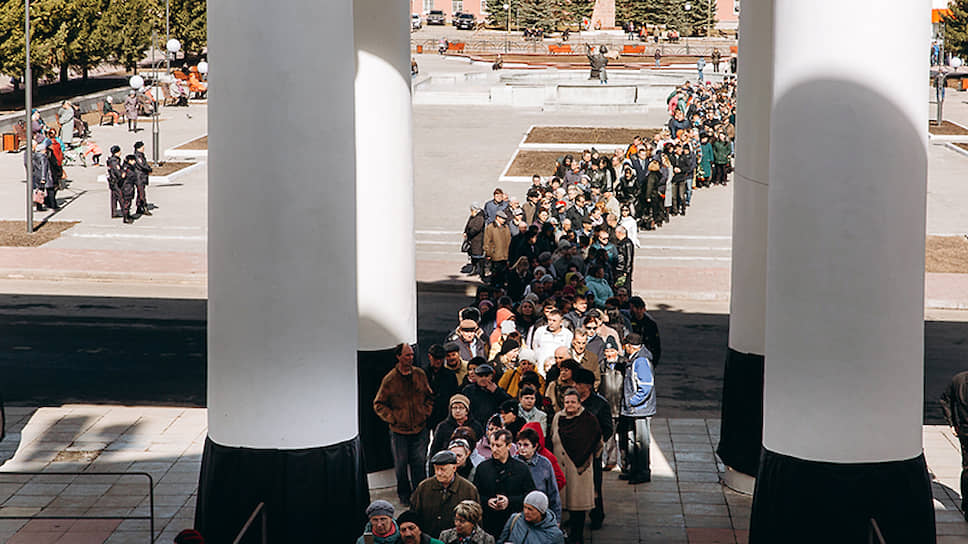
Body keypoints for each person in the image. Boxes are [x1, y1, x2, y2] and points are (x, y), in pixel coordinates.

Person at [373, 343, 435, 506]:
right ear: (398, 357)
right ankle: (404, 496)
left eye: (412, 355)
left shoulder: (420, 375)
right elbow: (379, 404)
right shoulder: (390, 379)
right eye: (407, 355)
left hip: (420, 429)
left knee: (419, 464)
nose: (411, 358)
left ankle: (420, 494)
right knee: (401, 466)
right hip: (399, 431)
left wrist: (425, 412)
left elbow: (430, 396)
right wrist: (393, 418)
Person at [549, 388, 602, 543]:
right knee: (565, 506)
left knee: (578, 507)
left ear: (579, 403)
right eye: (567, 402)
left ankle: (577, 537)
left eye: (573, 402)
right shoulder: (558, 417)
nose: (570, 405)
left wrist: (588, 459)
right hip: (562, 470)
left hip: (580, 471)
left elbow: (598, 443)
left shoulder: (588, 419)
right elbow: (552, 437)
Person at [473, 429, 536, 537]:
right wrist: (487, 501)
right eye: (492, 445)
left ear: (508, 446)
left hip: (514, 524)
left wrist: (509, 501)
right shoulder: (482, 468)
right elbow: (474, 494)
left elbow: (530, 496)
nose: (494, 449)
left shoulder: (521, 469)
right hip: (488, 523)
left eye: (498, 445)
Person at [573, 368, 613, 530]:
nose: (575, 386)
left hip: (592, 452)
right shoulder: (572, 400)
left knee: (594, 485)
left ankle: (597, 515)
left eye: (579, 383)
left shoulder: (600, 404)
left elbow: (608, 428)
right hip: (574, 451)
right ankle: (576, 515)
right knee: (575, 485)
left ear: (588, 386)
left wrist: (597, 443)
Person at [411, 450, 481, 538]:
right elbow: (414, 515)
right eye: (436, 469)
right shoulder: (424, 487)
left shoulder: (469, 490)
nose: (439, 473)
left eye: (442, 469)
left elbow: (476, 521)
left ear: (454, 468)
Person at [619, 333, 655, 485]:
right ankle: (634, 470)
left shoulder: (640, 361)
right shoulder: (635, 359)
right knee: (633, 440)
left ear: (629, 346)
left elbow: (646, 386)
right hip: (634, 409)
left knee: (641, 441)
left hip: (640, 409)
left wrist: (632, 402)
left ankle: (643, 472)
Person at [513, 429, 562, 523]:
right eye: (519, 444)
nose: (522, 448)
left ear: (535, 446)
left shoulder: (544, 464)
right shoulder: (514, 462)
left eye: (526, 445)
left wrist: (557, 519)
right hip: (519, 512)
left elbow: (553, 493)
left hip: (540, 513)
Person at [429, 394, 485, 471]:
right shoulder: (443, 426)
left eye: (461, 408)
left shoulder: (476, 426)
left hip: (470, 466)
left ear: (467, 411)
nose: (457, 411)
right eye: (454, 407)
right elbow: (435, 449)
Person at [940, 370, 968, 519]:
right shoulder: (959, 380)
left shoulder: (958, 379)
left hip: (964, 430)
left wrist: (952, 423)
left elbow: (945, 399)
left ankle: (966, 504)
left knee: (967, 468)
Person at [597, 337, 626, 471]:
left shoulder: (623, 364)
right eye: (607, 351)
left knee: (625, 437)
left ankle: (626, 462)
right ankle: (611, 460)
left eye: (612, 351)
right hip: (608, 407)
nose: (609, 354)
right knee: (609, 437)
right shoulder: (602, 365)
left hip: (622, 406)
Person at [498, 491, 564, 544]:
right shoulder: (515, 519)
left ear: (541, 511)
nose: (526, 512)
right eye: (524, 507)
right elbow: (501, 541)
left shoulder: (554, 534)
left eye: (530, 509)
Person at [426, 344, 460, 431]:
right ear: (429, 357)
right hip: (426, 417)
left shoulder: (450, 375)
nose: (438, 361)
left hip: (444, 415)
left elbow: (454, 395)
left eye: (441, 358)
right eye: (436, 358)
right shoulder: (423, 374)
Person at [625, 297, 661, 366]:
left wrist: (654, 360)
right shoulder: (628, 320)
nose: (638, 311)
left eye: (640, 309)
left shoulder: (650, 323)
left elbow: (656, 343)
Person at [484, 211, 512, 287]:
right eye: (502, 218)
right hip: (495, 256)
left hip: (505, 256)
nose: (504, 220)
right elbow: (487, 242)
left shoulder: (506, 227)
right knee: (495, 276)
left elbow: (509, 240)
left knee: (503, 277)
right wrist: (489, 253)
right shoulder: (490, 227)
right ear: (497, 217)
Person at [464, 203, 486, 278]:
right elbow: (468, 224)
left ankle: (481, 272)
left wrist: (469, 234)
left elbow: (476, 228)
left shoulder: (480, 217)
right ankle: (474, 269)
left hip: (478, 240)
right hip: (472, 240)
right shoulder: (473, 216)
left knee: (479, 257)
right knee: (473, 256)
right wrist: (465, 232)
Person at [132, 141, 153, 216]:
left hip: (141, 177)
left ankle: (139, 207)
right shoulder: (138, 156)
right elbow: (142, 165)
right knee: (142, 194)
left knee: (140, 193)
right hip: (139, 177)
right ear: (139, 148)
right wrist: (149, 169)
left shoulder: (140, 155)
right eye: (142, 147)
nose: (143, 149)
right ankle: (144, 207)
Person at [106, 145, 125, 219]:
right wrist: (122, 175)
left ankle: (114, 212)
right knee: (120, 196)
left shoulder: (111, 160)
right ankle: (125, 212)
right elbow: (117, 171)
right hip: (115, 181)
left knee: (114, 197)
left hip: (112, 181)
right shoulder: (114, 161)